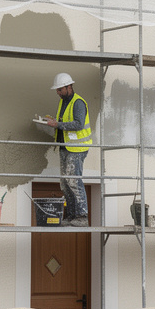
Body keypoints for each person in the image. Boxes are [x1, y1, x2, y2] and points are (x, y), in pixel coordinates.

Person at [43, 72, 91, 227]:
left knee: (73, 180)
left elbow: (78, 124)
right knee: (64, 183)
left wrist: (57, 125)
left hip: (77, 148)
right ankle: (71, 216)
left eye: (60, 89)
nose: (58, 92)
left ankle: (82, 216)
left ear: (69, 87)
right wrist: (54, 122)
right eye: (57, 90)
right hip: (65, 146)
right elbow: (64, 122)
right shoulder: (63, 101)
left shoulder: (78, 102)